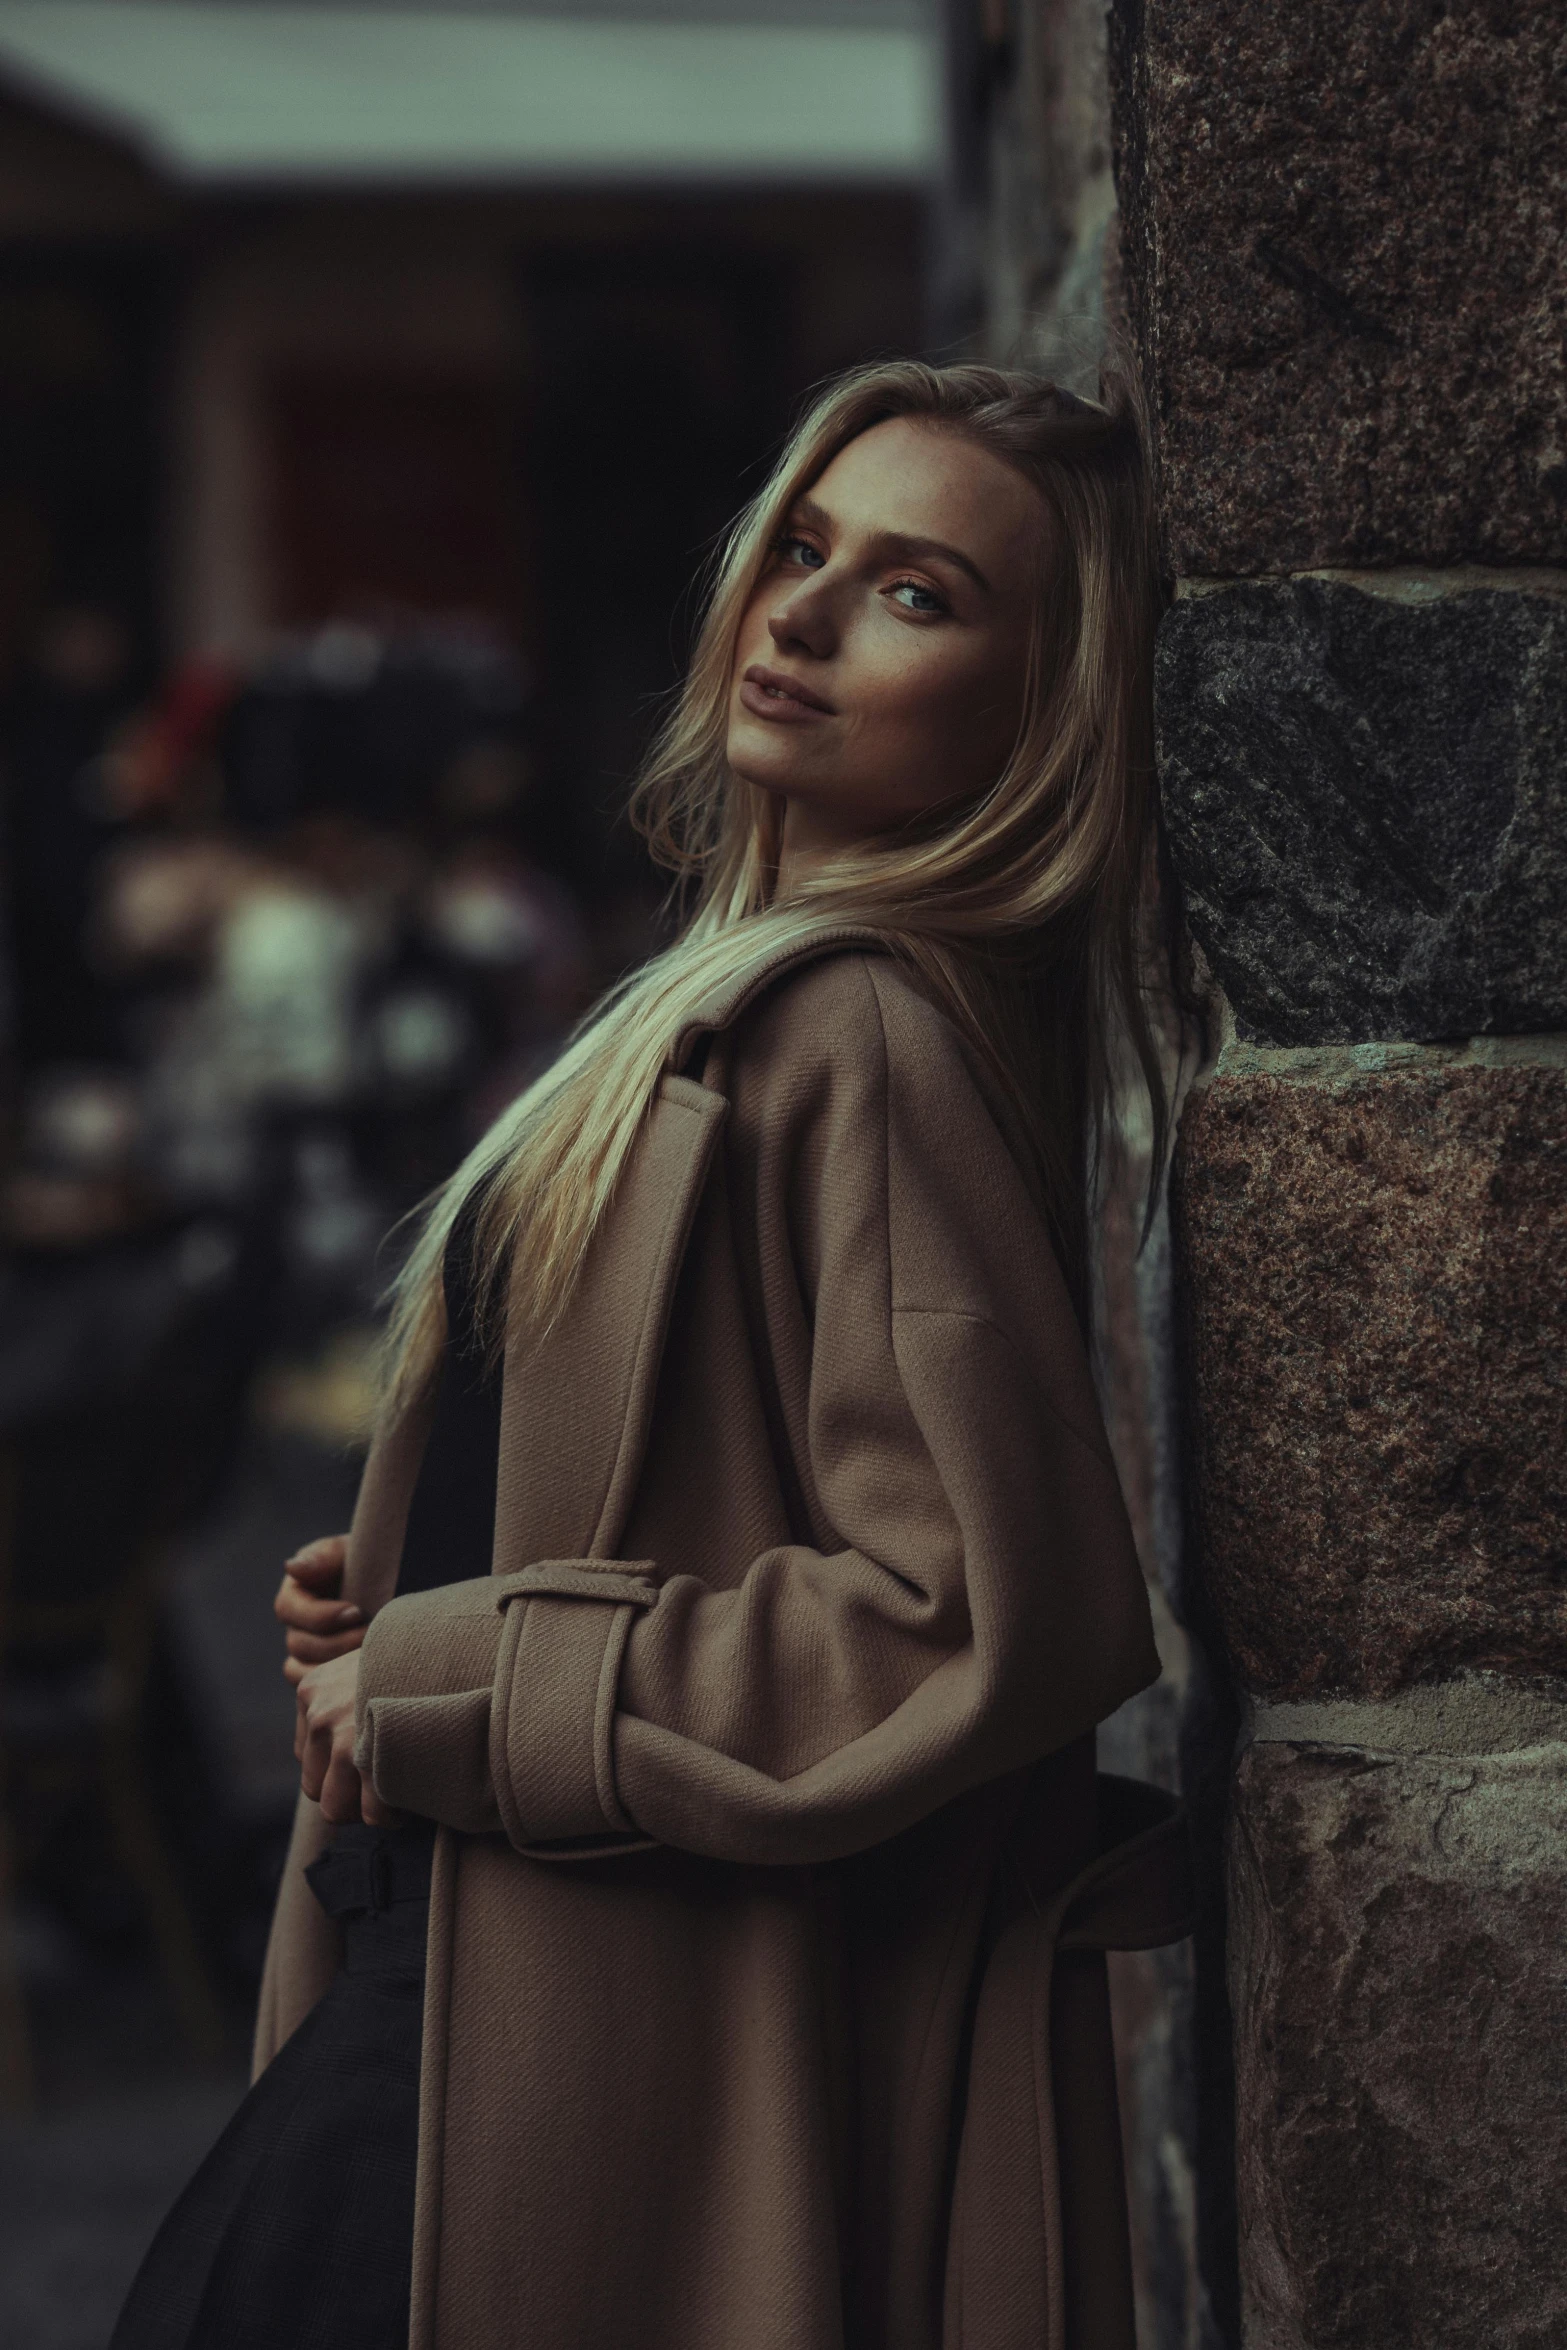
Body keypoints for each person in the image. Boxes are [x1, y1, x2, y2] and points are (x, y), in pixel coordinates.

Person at [113, 362, 1191, 2350]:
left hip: (572, 2026)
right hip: (470, 1955)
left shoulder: (857, 1030)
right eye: (804, 545)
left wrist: (457, 1667)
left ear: (1046, 710)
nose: (798, 613)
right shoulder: (717, 1001)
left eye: (918, 591)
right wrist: (402, 1592)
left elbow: (968, 1619)